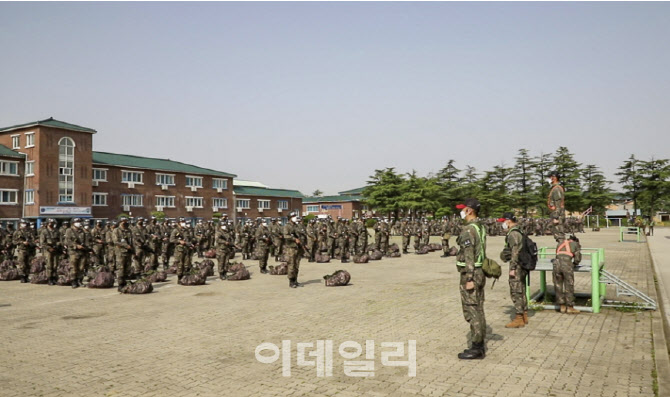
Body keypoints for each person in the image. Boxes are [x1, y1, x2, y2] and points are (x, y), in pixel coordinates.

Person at [455, 198, 487, 360]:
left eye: (463, 209)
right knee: (478, 307)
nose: (461, 211)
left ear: (470, 211)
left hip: (472, 273)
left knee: (472, 309)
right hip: (480, 271)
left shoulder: (468, 230)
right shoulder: (479, 227)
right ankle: (479, 343)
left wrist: (469, 277)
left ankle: (477, 347)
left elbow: (469, 255)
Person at [497, 213, 528, 328]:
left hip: (517, 265)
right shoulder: (518, 231)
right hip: (521, 264)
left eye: (503, 222)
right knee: (521, 289)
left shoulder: (513, 234)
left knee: (516, 291)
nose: (502, 224)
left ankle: (519, 317)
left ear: (508, 221)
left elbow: (515, 251)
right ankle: (524, 314)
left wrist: (513, 268)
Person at [554, 234, 582, 314]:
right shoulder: (575, 244)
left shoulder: (560, 243)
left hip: (556, 264)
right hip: (566, 264)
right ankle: (570, 307)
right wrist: (574, 264)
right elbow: (577, 258)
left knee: (558, 285)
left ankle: (561, 306)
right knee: (569, 285)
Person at [64, 218, 89, 288]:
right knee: (74, 267)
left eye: (80, 222)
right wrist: (76, 246)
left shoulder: (83, 231)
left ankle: (79, 280)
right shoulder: (69, 231)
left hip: (82, 252)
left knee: (81, 267)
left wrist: (86, 247)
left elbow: (87, 240)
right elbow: (67, 241)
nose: (79, 223)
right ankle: (73, 281)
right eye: (77, 222)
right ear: (73, 223)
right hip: (73, 252)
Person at [113, 216, 134, 291]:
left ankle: (125, 282)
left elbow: (132, 242)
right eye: (123, 221)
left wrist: (133, 251)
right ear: (120, 222)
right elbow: (116, 242)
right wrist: (126, 246)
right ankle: (120, 284)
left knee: (127, 269)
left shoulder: (129, 230)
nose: (125, 222)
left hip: (128, 253)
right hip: (120, 253)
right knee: (120, 269)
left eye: (126, 221)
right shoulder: (116, 230)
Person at [283, 212, 303, 288]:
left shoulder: (296, 226)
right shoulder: (287, 226)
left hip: (297, 248)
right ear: (290, 218)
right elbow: (286, 235)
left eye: (295, 216)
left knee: (296, 265)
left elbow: (300, 234)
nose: (295, 217)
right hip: (290, 248)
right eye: (293, 216)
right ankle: (291, 281)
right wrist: (294, 239)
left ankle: (295, 279)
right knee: (291, 265)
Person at [40, 218, 62, 285]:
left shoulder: (57, 231)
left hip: (56, 250)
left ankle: (55, 277)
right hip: (48, 251)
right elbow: (42, 242)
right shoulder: (44, 231)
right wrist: (49, 248)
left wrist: (58, 245)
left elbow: (60, 240)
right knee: (49, 265)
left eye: (53, 223)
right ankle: (50, 278)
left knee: (55, 265)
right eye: (50, 223)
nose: (51, 224)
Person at [13, 219, 36, 283]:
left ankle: (27, 276)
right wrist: (22, 242)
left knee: (28, 263)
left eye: (25, 223)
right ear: (20, 224)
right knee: (21, 263)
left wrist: (30, 243)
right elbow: (14, 241)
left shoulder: (31, 231)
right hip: (21, 249)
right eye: (23, 223)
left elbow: (34, 240)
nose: (24, 225)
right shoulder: (17, 232)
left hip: (30, 249)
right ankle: (22, 276)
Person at [547, 171, 565, 241]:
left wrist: (556, 217)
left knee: (559, 235)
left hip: (558, 216)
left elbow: (558, 204)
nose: (549, 179)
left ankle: (563, 250)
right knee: (557, 234)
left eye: (551, 177)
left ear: (554, 178)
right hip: (556, 214)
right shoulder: (554, 188)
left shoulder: (557, 189)